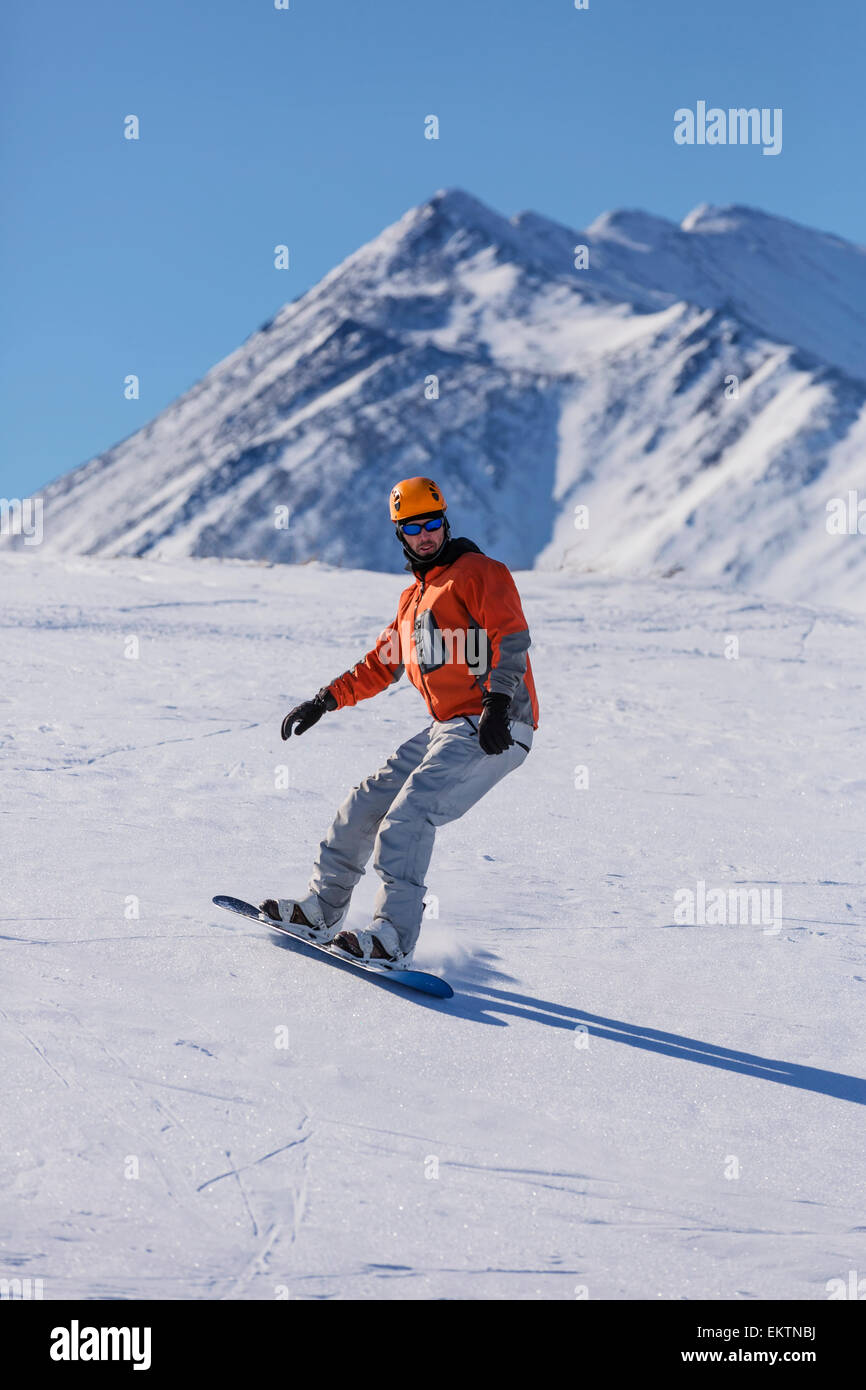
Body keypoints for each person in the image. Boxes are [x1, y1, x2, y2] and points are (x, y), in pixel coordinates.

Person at [261, 476, 539, 968]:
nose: (426, 534)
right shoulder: (414, 599)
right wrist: (324, 700)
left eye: (433, 523)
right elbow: (382, 663)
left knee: (410, 816)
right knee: (364, 802)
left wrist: (498, 702)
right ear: (400, 534)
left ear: (446, 522)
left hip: (496, 723)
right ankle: (321, 911)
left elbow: (511, 638)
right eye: (414, 527)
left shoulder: (478, 572)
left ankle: (392, 936)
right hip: (447, 727)